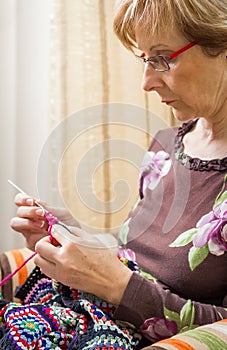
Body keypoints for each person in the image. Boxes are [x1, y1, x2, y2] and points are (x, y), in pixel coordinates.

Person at [1, 0, 227, 349]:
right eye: (145, 60)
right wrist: (76, 238)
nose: (146, 82)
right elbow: (139, 255)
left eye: (163, 57)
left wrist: (116, 287)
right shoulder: (166, 146)